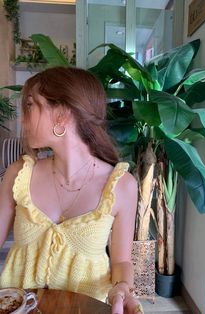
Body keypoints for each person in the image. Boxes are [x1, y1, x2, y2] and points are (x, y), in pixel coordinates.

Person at [0, 67, 144, 314]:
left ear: (62, 115)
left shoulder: (122, 185)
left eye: (31, 105)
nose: (24, 118)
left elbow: (121, 261)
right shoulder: (18, 174)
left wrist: (122, 289)